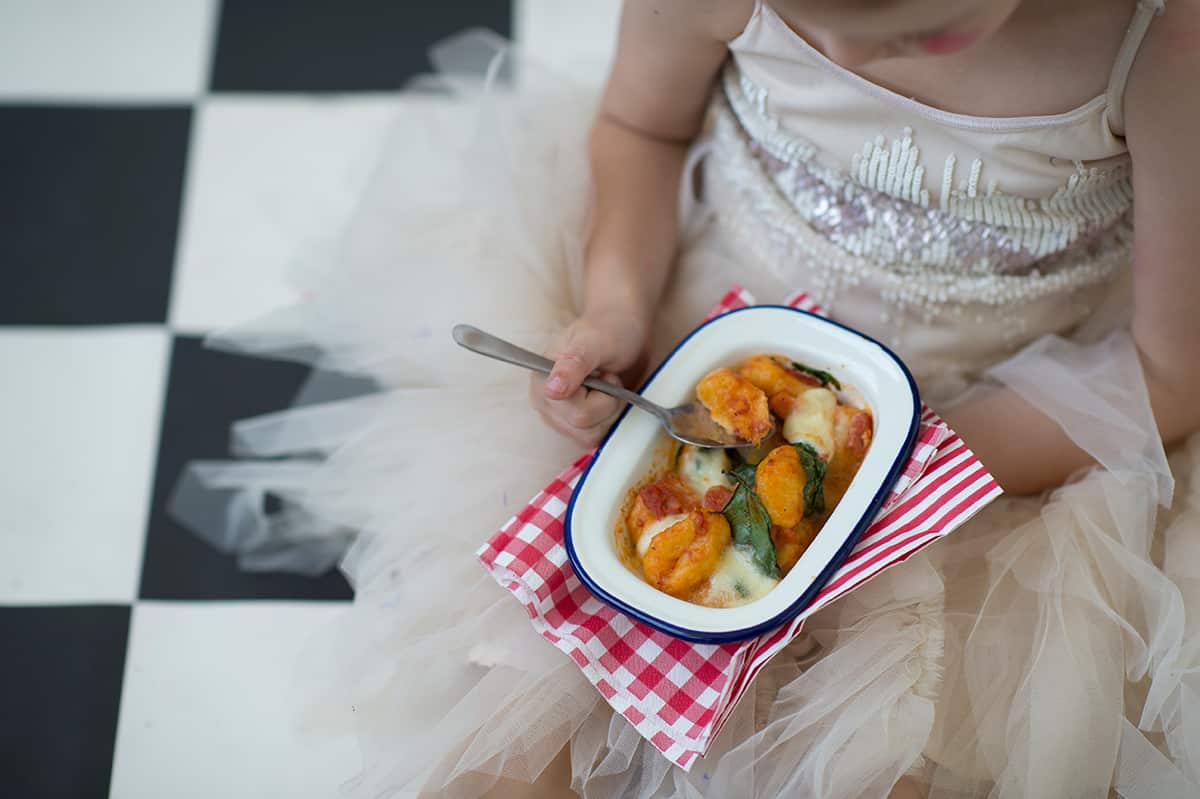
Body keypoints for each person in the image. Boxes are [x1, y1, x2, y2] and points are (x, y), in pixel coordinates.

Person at [174, 0, 1200, 796]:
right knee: (527, 706)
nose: (863, 59)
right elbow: (640, 126)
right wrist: (615, 303)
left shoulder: (1160, 45)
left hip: (997, 426)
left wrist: (886, 479)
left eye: (920, 28)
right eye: (819, 27)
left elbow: (1167, 370)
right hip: (702, 334)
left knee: (907, 738)